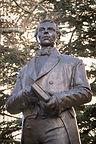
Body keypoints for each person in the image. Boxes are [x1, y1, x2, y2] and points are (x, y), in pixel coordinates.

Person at [6, 19, 92, 144]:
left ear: (57, 36)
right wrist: (25, 94)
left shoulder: (72, 62)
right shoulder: (24, 70)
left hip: (58, 125)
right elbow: (10, 107)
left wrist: (59, 99)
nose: (46, 32)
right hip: (30, 130)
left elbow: (85, 92)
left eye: (50, 30)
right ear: (36, 37)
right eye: (42, 30)